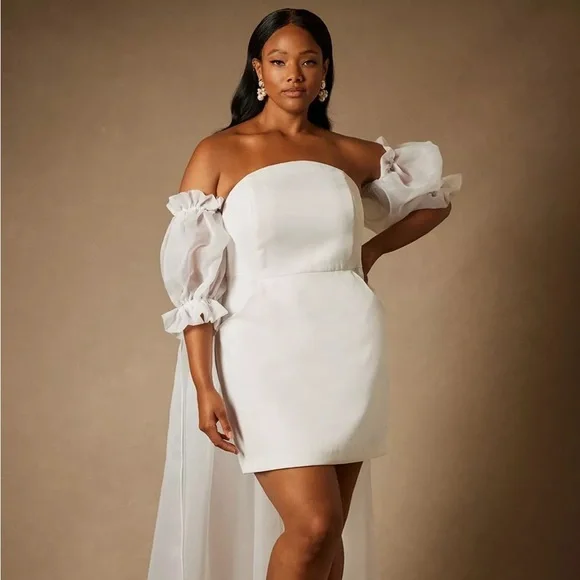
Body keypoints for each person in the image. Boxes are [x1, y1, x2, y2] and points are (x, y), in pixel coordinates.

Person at [148, 8, 462, 580]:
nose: (294, 73)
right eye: (279, 61)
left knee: (328, 537)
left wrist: (369, 253)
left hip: (347, 345)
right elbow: (195, 282)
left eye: (308, 61)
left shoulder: (345, 152)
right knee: (313, 525)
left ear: (325, 71)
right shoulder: (218, 152)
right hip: (260, 349)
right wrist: (203, 383)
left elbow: (434, 199)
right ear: (258, 70)